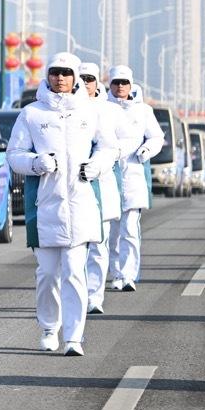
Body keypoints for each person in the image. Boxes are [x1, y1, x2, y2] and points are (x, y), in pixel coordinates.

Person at [7, 52, 111, 357]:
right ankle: (50, 328)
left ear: (76, 76)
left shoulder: (90, 112)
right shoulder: (32, 114)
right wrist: (37, 163)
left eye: (66, 73)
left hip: (80, 203)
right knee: (48, 273)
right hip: (45, 207)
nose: (60, 78)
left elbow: (109, 147)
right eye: (55, 72)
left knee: (75, 272)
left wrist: (96, 165)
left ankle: (74, 337)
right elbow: (14, 155)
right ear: (48, 75)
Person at [106, 65, 164, 293]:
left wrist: (146, 151)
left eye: (124, 83)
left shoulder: (143, 111)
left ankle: (129, 275)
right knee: (111, 234)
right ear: (110, 84)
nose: (120, 87)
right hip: (108, 176)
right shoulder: (102, 109)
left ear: (131, 85)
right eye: (116, 82)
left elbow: (157, 137)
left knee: (129, 229)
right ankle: (116, 275)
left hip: (133, 177)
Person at [78, 62, 122, 314]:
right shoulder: (68, 109)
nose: (85, 82)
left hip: (101, 185)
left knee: (98, 245)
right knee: (75, 249)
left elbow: (121, 142)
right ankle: (77, 294)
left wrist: (103, 161)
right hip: (73, 188)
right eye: (80, 78)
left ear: (97, 82)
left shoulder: (109, 111)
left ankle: (95, 297)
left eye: (89, 78)